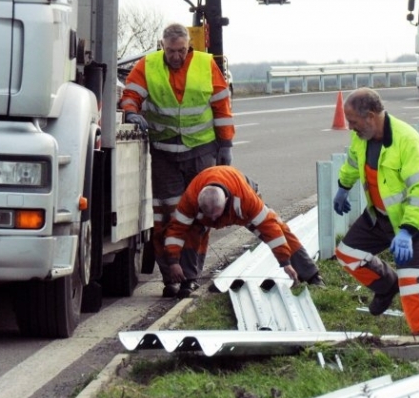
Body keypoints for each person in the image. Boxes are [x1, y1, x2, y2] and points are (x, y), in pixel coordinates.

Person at [120, 23, 236, 298]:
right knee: (167, 217)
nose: (176, 56)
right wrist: (131, 112)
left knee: (199, 214)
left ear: (188, 47)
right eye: (171, 51)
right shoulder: (148, 66)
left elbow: (221, 105)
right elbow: (131, 95)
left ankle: (190, 276)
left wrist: (225, 144)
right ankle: (171, 276)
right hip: (164, 152)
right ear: (162, 47)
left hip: (201, 150)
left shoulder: (205, 64)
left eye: (181, 50)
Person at [332, 88, 419, 336]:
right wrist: (343, 188)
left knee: (411, 280)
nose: (351, 127)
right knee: (347, 254)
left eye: (354, 122)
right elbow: (351, 162)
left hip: (414, 219)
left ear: (370, 116)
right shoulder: (362, 137)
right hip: (380, 216)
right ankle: (386, 286)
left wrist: (407, 231)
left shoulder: (407, 141)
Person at [163, 165, 325, 291]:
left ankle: (311, 275)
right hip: (211, 197)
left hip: (242, 199)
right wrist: (173, 262)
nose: (213, 221)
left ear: (227, 200)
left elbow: (271, 230)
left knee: (280, 228)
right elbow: (176, 231)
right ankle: (188, 280)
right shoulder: (190, 199)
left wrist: (285, 262)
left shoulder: (247, 200)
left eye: (216, 216)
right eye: (209, 216)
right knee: (191, 232)